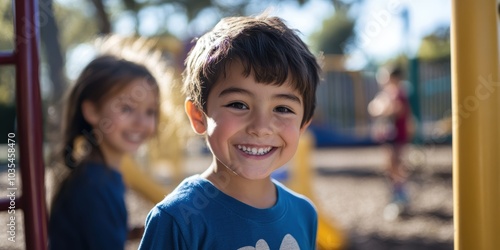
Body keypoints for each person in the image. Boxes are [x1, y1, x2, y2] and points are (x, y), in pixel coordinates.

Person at [139, 13, 321, 250]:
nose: (261, 127)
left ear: (303, 125)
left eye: (282, 108)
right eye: (238, 104)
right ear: (198, 116)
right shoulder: (178, 220)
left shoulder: (304, 214)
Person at [48, 55, 159, 250]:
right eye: (127, 108)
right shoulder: (94, 185)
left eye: (150, 112)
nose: (141, 123)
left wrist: (134, 232)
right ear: (92, 112)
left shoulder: (95, 173)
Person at [368, 66, 413, 219]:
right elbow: (373, 108)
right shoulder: (387, 94)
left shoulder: (399, 92)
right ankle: (396, 192)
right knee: (389, 165)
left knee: (396, 163)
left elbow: (396, 110)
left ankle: (401, 194)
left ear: (393, 77)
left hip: (398, 135)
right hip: (389, 135)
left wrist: (383, 108)